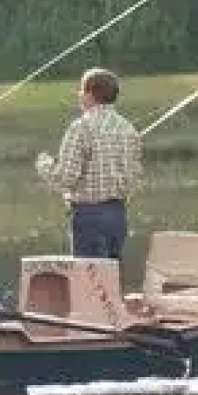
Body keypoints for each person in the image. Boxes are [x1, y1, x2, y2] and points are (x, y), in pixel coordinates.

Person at [36, 66, 144, 260]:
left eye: (81, 90)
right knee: (111, 276)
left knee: (88, 276)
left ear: (90, 94)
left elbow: (66, 179)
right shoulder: (128, 129)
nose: (79, 95)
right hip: (118, 216)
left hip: (89, 217)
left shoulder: (81, 127)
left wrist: (45, 165)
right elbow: (134, 179)